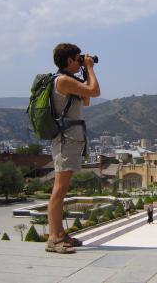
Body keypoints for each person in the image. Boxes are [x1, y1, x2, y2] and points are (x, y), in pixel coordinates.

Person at [46, 43, 100, 254]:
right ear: (69, 60)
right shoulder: (63, 80)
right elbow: (95, 91)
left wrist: (85, 72)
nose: (81, 62)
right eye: (78, 59)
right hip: (65, 139)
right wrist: (91, 69)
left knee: (63, 188)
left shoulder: (70, 81)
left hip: (70, 138)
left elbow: (86, 100)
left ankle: (60, 234)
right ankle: (53, 238)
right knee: (59, 189)